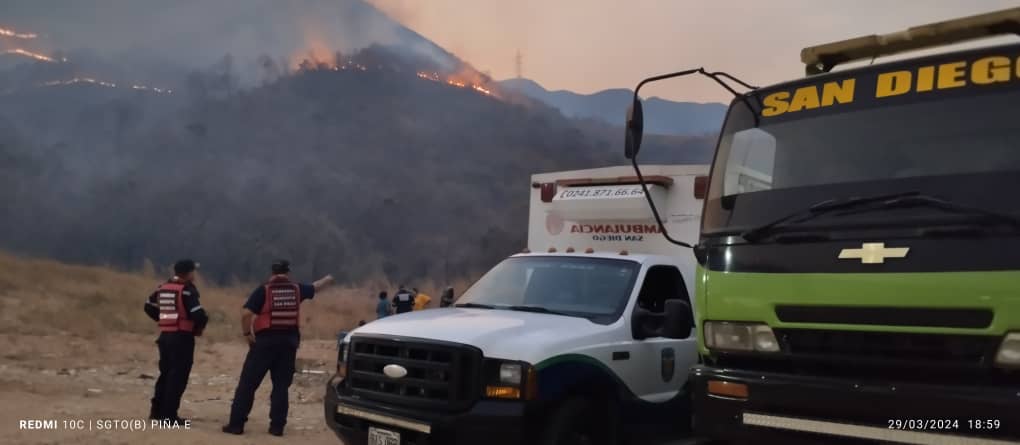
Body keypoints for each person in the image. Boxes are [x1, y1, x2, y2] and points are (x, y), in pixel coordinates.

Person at [222, 260, 335, 437]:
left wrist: (247, 334)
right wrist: (329, 279)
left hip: (264, 344)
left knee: (248, 385)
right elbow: (315, 287)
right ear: (288, 273)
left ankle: (236, 425)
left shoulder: (264, 290)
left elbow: (246, 314)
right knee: (281, 387)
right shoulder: (297, 289)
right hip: (288, 345)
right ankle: (277, 427)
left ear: (273, 273)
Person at [144, 259, 208, 423]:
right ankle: (169, 416)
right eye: (193, 271)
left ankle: (156, 412)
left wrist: (163, 319)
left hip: (165, 336)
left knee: (165, 374)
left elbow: (148, 306)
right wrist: (198, 328)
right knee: (178, 377)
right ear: (189, 273)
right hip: (182, 338)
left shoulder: (163, 287)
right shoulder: (187, 291)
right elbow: (199, 315)